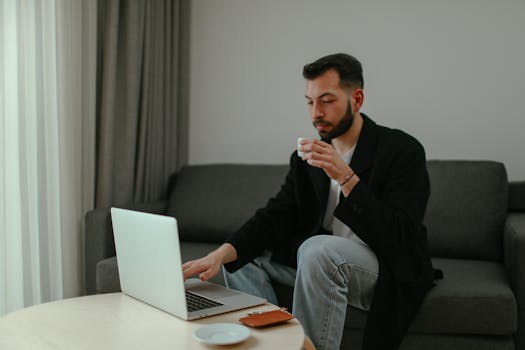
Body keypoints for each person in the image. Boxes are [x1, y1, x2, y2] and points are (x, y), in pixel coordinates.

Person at [182, 53, 436, 350]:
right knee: (240, 257)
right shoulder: (306, 158)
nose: (316, 112)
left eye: (327, 100)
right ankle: (276, 342)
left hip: (383, 265)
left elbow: (398, 236)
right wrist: (220, 255)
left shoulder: (401, 150)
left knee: (317, 249)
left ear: (357, 99)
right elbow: (276, 214)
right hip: (324, 263)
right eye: (309, 101)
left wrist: (346, 177)